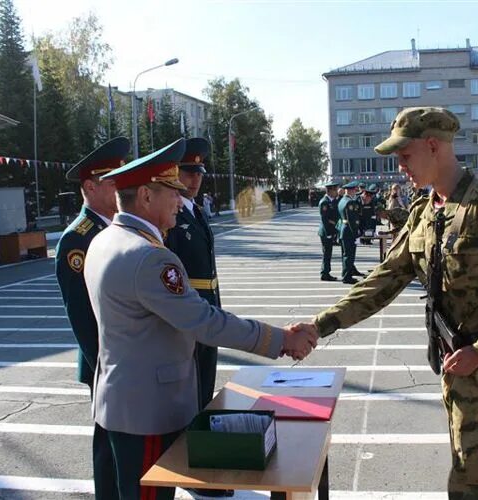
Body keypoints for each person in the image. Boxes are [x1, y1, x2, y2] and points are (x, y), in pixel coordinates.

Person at [295, 107, 478, 499]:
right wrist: (321, 324)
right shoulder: (425, 213)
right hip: (455, 365)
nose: (401, 167)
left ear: (432, 146)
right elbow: (386, 279)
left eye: (404, 156)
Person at [84, 138, 317, 500]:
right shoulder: (150, 258)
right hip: (148, 410)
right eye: (171, 192)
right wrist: (281, 339)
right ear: (145, 197)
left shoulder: (105, 240)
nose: (180, 200)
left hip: (124, 401)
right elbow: (205, 321)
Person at [55, 136, 130, 500]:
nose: (122, 187)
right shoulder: (77, 240)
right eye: (114, 180)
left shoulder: (117, 228)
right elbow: (82, 317)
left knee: (129, 445)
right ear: (90, 186)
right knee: (108, 446)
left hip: (128, 358)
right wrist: (104, 366)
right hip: (105, 361)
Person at [163, 138, 230, 499]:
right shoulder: (172, 217)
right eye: (188, 172)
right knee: (188, 397)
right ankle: (192, 474)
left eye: (198, 172)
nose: (194, 179)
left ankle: (201, 465)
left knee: (204, 391)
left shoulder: (196, 210)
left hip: (208, 312)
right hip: (190, 318)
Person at [337, 180, 365, 284]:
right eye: (354, 190)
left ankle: (346, 274)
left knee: (346, 254)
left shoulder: (342, 200)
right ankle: (347, 276)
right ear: (350, 191)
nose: (355, 192)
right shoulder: (350, 202)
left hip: (344, 230)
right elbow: (352, 220)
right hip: (349, 231)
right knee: (349, 255)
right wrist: (356, 233)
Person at [318, 181, 341, 281]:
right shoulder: (324, 202)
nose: (336, 191)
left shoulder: (333, 201)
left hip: (331, 231)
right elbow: (325, 220)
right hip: (326, 231)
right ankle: (324, 273)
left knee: (328, 253)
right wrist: (328, 233)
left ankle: (326, 272)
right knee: (327, 253)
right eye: (335, 190)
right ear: (330, 190)